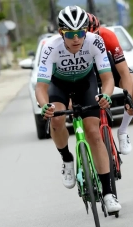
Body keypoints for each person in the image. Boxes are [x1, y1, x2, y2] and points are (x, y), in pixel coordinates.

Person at [35, 6, 121, 213]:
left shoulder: (95, 41)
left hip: (85, 83)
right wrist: (45, 105)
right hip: (59, 84)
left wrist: (106, 95)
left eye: (80, 33)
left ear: (86, 32)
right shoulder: (50, 47)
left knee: (93, 132)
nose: (76, 39)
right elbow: (41, 87)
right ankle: (66, 159)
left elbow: (107, 78)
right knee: (56, 120)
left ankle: (109, 194)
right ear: (60, 33)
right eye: (70, 34)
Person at [87, 13, 133, 155]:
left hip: (108, 64)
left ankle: (123, 131)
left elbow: (124, 72)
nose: (94, 39)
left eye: (96, 34)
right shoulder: (73, 42)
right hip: (86, 69)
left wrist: (128, 97)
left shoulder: (108, 36)